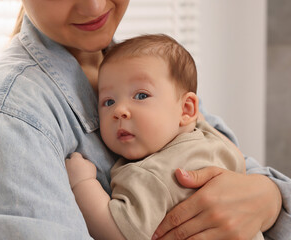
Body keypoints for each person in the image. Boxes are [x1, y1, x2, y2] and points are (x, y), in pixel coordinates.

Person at [0, 1, 290, 239]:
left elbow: (229, 158)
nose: (96, 6)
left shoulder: (143, 65)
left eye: (140, 97)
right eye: (108, 103)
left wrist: (269, 197)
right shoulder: (8, 116)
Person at [65, 34, 264, 240]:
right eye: (108, 102)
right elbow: (239, 160)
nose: (119, 111)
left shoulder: (150, 174)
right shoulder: (213, 139)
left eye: (141, 95)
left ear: (186, 108)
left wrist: (82, 183)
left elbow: (116, 232)